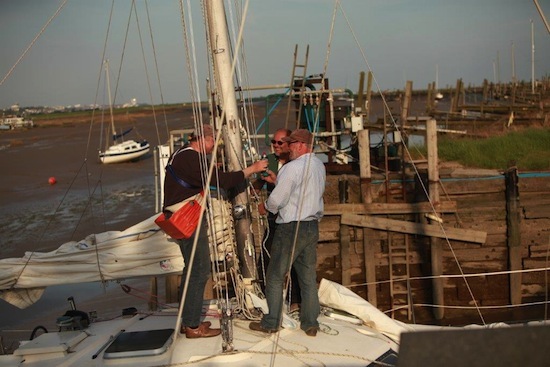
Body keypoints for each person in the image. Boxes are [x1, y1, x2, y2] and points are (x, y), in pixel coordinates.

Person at [163, 123, 268, 338]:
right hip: (188, 218)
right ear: (204, 139)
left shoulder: (182, 154)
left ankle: (187, 321)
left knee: (191, 269)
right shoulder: (191, 158)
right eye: (214, 142)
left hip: (179, 217)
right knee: (200, 269)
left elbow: (202, 178)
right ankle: (192, 326)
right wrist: (252, 169)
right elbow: (223, 181)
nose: (214, 146)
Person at [250, 129, 326, 337]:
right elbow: (304, 191)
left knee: (275, 276)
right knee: (308, 277)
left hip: (290, 227)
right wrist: (278, 181)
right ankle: (311, 323)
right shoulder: (319, 166)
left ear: (301, 145)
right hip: (311, 226)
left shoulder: (292, 168)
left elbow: (278, 200)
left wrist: (265, 206)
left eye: (291, 144)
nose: (287, 148)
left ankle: (272, 322)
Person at [254, 128, 301, 311]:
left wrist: (274, 183)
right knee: (266, 258)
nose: (275, 146)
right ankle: (266, 297)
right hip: (274, 218)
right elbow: (258, 184)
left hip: (291, 216)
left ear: (289, 144)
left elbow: (292, 189)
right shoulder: (270, 161)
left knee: (295, 260)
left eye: (280, 143)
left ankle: (297, 301)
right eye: (273, 142)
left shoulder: (295, 163)